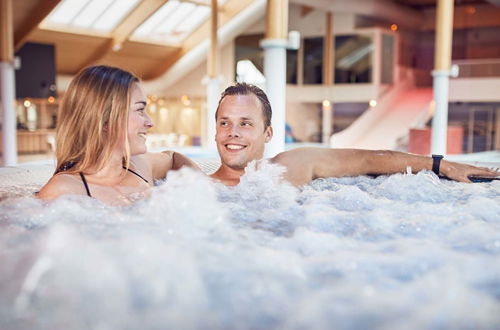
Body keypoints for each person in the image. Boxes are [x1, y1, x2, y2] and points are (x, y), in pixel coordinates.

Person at [210, 83, 499, 186]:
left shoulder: (292, 166)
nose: (232, 133)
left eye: (245, 123)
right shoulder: (189, 181)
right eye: (225, 123)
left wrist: (440, 165)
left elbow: (368, 160)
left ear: (268, 132)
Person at [38, 65, 198, 205]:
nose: (150, 123)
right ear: (105, 120)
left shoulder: (139, 166)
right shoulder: (64, 190)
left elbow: (172, 157)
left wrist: (208, 187)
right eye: (140, 110)